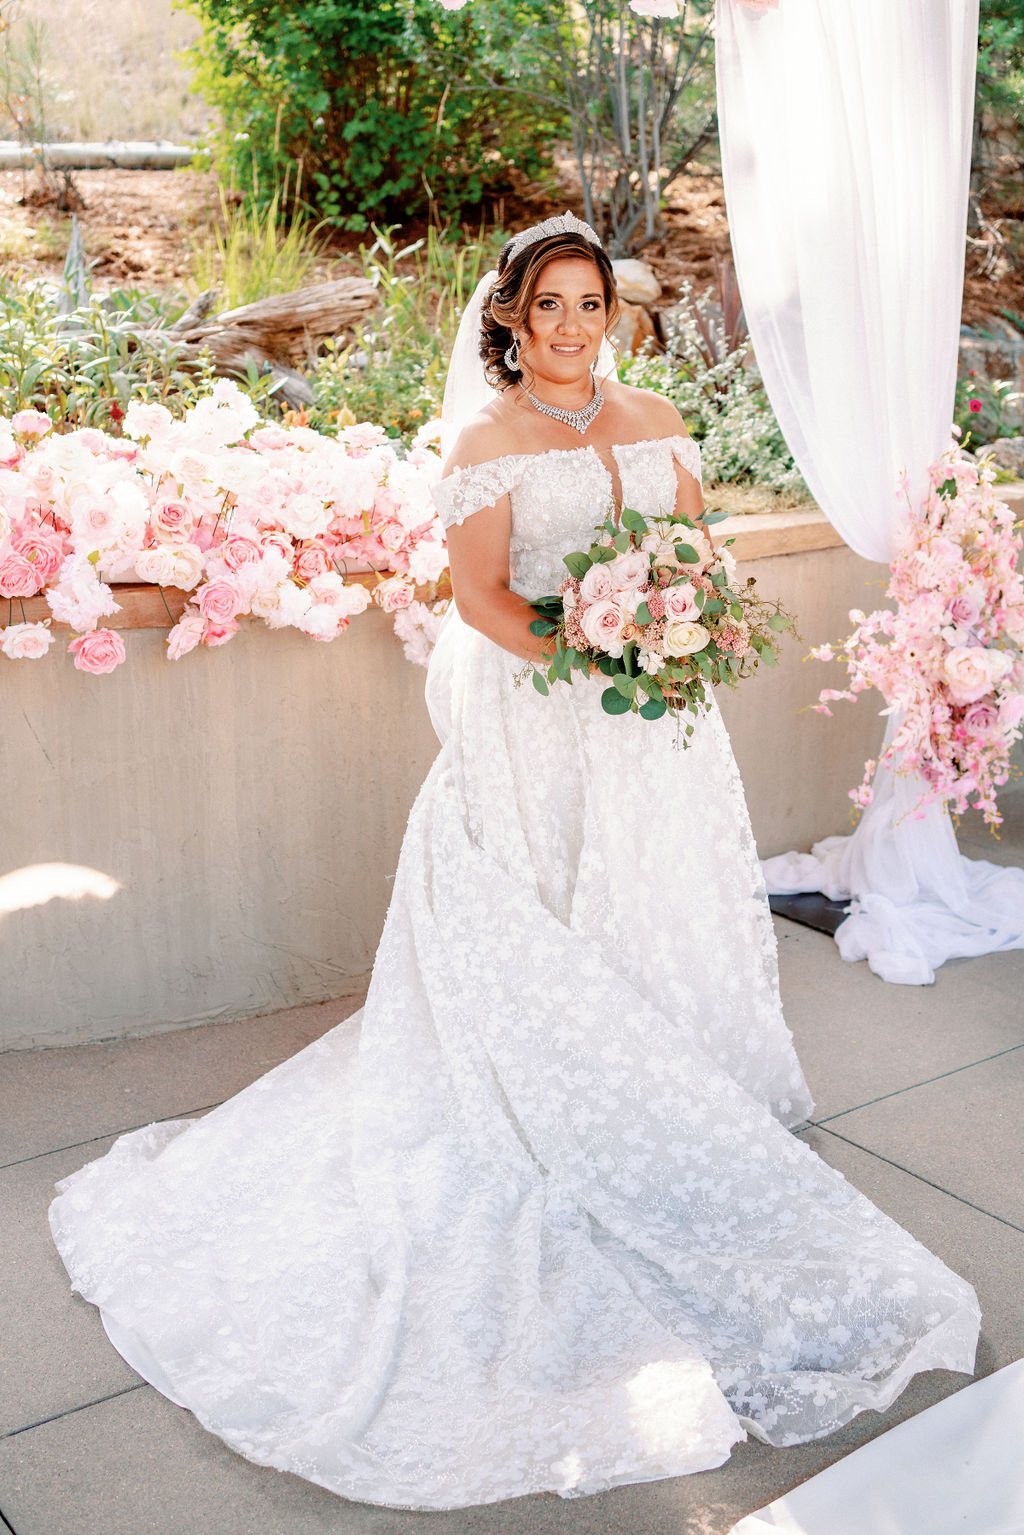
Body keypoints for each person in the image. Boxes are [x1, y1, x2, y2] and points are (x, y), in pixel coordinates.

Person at [49, 212, 980, 1513]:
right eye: (546, 306)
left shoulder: (655, 416)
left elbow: (696, 550)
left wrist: (677, 624)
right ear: (508, 320)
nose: (569, 327)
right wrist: (599, 645)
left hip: (662, 722)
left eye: (589, 305)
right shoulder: (485, 447)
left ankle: (680, 1073)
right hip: (544, 721)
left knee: (660, 900)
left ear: (613, 316)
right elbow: (485, 598)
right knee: (542, 923)